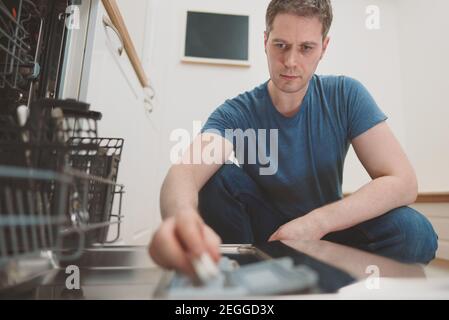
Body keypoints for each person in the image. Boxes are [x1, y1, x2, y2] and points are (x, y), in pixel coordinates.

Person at [149, 0, 438, 276]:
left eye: (306, 48)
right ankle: (249, 279)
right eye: (281, 45)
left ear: (323, 48)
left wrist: (316, 223)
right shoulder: (237, 112)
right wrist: (180, 219)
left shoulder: (346, 95)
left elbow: (403, 181)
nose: (290, 61)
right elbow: (186, 171)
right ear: (265, 41)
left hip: (327, 235)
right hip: (265, 236)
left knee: (414, 232)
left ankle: (328, 280)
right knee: (215, 179)